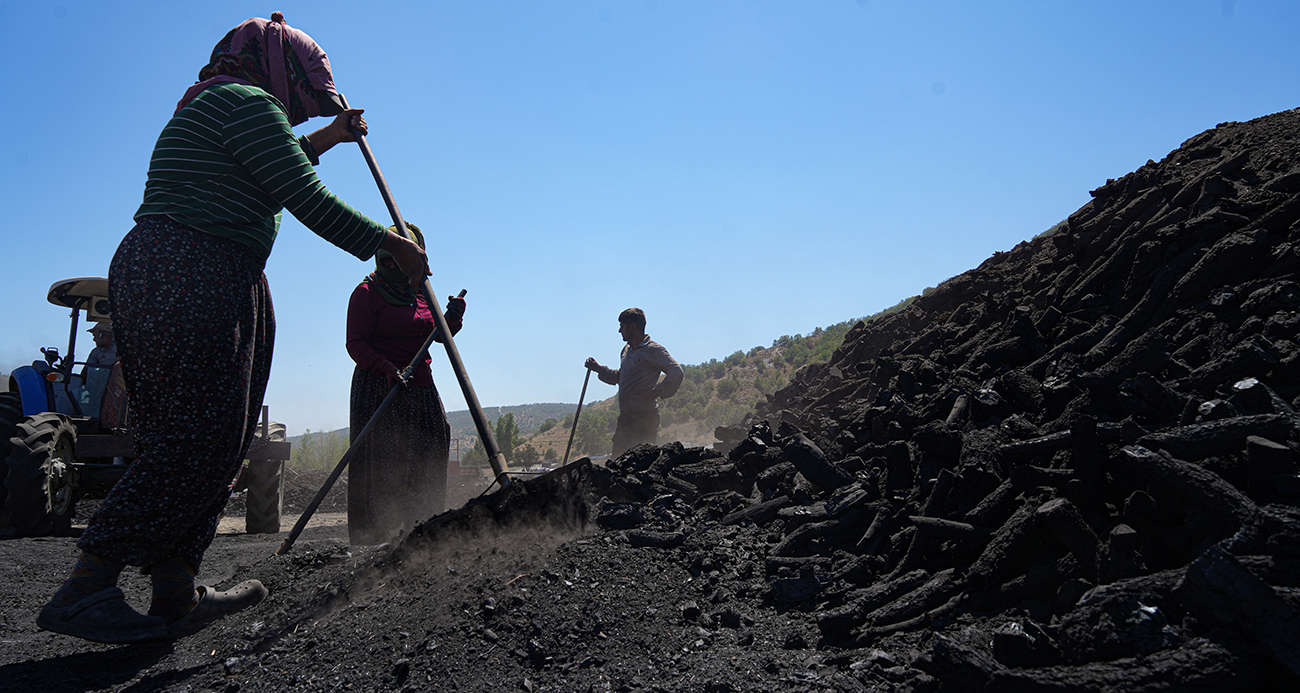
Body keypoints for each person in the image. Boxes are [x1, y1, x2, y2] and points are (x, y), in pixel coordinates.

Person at [38, 14, 429, 645]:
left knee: (208, 436)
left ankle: (175, 589)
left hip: (173, 267)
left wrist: (330, 134)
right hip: (197, 267)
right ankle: (87, 584)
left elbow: (282, 161)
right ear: (282, 69)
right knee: (200, 435)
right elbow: (302, 193)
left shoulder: (220, 105)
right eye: (306, 93)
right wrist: (389, 245)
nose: (302, 107)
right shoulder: (244, 102)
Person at [345, 223, 465, 545]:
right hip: (379, 388)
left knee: (432, 444)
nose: (393, 268)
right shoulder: (366, 294)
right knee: (382, 461)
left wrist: (452, 319)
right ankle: (374, 538)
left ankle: (421, 531)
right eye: (387, 262)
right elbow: (355, 344)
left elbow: (438, 336)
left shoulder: (422, 292)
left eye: (400, 262)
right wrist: (385, 367)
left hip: (420, 387)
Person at [585, 308, 684, 457]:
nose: (619, 330)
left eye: (622, 326)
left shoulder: (652, 350)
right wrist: (599, 369)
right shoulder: (626, 350)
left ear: (633, 327)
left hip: (644, 417)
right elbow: (621, 377)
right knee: (618, 461)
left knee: (640, 461)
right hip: (626, 417)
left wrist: (656, 392)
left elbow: (677, 372)